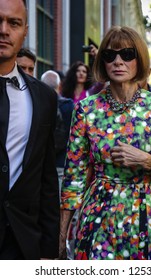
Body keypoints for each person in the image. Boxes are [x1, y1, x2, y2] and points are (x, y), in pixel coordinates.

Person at [59, 25, 151, 260]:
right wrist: (61, 236)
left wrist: (147, 161)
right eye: (109, 55)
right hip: (98, 215)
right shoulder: (86, 109)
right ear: (102, 61)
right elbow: (74, 178)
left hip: (145, 215)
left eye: (127, 54)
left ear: (140, 60)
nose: (118, 61)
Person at [0, 0, 60, 259]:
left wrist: (48, 249)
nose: (4, 30)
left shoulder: (43, 97)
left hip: (22, 241)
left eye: (13, 23)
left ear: (25, 30)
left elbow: (46, 176)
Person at [40, 70, 73, 191]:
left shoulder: (36, 103)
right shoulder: (68, 105)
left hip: (40, 161)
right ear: (59, 86)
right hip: (61, 160)